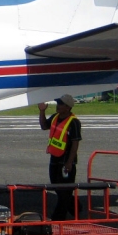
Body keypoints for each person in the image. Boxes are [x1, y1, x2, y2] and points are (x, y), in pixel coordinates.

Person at [38, 94, 82, 222]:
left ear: (68, 107)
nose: (58, 106)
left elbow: (75, 143)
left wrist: (69, 163)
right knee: (58, 188)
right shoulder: (55, 117)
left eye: (61, 104)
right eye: (58, 103)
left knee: (63, 192)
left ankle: (58, 219)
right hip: (55, 159)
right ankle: (76, 208)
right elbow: (44, 126)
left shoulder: (74, 122)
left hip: (66, 162)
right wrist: (42, 111)